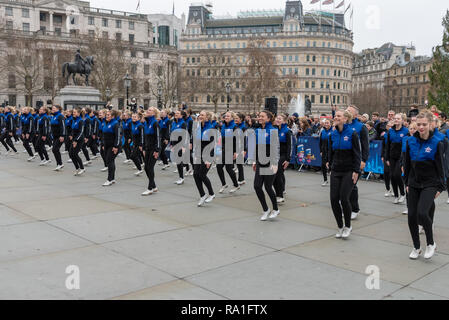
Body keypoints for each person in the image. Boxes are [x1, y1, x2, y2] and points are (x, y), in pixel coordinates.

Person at [403, 111, 445, 260]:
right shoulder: (410, 142)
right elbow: (407, 164)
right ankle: (416, 247)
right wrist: (406, 182)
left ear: (430, 125)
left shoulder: (437, 143)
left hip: (430, 183)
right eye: (418, 124)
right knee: (411, 216)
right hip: (413, 183)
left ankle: (430, 243)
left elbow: (441, 166)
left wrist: (441, 186)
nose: (421, 127)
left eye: (424, 124)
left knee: (422, 213)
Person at [327, 110, 361, 239]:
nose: (336, 117)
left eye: (339, 116)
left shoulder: (352, 133)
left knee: (344, 198)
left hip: (349, 170)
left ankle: (348, 226)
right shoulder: (332, 134)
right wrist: (329, 164)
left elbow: (357, 154)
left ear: (345, 119)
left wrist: (356, 171)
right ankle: (340, 226)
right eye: (335, 116)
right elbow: (331, 152)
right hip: (336, 170)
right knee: (334, 199)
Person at [253, 110, 280, 221]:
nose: (260, 118)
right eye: (259, 116)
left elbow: (275, 148)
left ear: (268, 119)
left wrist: (274, 163)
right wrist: (255, 161)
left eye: (262, 116)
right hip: (260, 161)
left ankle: (276, 209)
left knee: (268, 187)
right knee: (257, 186)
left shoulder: (273, 130)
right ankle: (265, 209)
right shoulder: (257, 130)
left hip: (270, 161)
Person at [346, 105, 369, 220]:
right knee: (345, 185)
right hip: (344, 160)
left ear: (355, 115)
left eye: (349, 111)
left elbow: (365, 146)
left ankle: (355, 209)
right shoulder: (343, 125)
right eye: (346, 110)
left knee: (352, 184)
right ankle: (346, 206)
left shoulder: (361, 127)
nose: (347, 112)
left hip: (356, 160)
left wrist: (363, 160)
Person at [193, 111, 216, 206]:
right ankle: (202, 195)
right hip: (198, 154)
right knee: (195, 174)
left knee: (202, 174)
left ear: (207, 118)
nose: (200, 116)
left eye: (202, 115)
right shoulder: (199, 127)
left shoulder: (210, 128)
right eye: (200, 115)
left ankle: (211, 193)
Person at [385, 113, 408, 204]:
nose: (396, 120)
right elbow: (388, 145)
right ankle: (396, 195)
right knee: (392, 176)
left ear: (402, 120)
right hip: (391, 156)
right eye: (395, 118)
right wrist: (386, 157)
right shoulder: (390, 131)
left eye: (398, 118)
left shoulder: (406, 131)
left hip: (401, 157)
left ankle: (402, 193)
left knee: (397, 175)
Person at [217, 111, 240, 194]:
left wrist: (236, 152)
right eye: (225, 116)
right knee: (219, 166)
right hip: (224, 149)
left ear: (232, 118)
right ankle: (224, 184)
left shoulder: (235, 127)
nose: (226, 117)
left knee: (228, 168)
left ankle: (236, 185)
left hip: (231, 150)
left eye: (228, 116)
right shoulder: (223, 126)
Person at [141, 107, 161, 195]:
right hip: (148, 149)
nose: (147, 111)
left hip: (154, 149)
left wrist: (157, 150)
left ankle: (150, 188)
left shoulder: (155, 123)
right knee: (146, 167)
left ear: (154, 113)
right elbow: (146, 137)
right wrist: (144, 148)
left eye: (150, 110)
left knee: (150, 167)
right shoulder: (146, 122)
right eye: (147, 109)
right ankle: (154, 186)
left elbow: (158, 138)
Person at [273, 114, 292, 203]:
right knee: (276, 174)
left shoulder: (287, 131)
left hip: (283, 155)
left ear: (284, 121)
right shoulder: (274, 129)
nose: (277, 119)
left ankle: (280, 195)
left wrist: (288, 159)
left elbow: (289, 146)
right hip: (275, 154)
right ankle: (281, 190)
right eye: (277, 118)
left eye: (280, 119)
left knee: (278, 173)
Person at [101, 109, 121, 186]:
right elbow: (104, 135)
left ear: (113, 116)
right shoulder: (106, 122)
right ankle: (112, 179)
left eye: (108, 115)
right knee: (110, 161)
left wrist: (116, 146)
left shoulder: (116, 124)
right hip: (107, 145)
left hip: (113, 146)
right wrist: (103, 144)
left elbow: (118, 136)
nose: (107, 116)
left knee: (109, 160)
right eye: (106, 114)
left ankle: (109, 179)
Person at [170, 110, 189, 185]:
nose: (176, 114)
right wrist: (171, 144)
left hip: (180, 144)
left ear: (181, 115)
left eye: (178, 113)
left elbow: (185, 135)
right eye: (176, 113)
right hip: (174, 144)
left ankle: (181, 178)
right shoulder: (174, 122)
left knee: (179, 161)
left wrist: (184, 146)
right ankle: (180, 177)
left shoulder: (183, 123)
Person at [69, 108, 86, 176]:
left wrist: (76, 140)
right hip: (74, 139)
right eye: (73, 112)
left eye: (75, 112)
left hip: (79, 140)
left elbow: (81, 132)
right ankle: (77, 168)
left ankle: (82, 168)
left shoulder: (81, 121)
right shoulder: (74, 120)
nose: (73, 113)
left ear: (78, 113)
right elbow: (72, 130)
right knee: (71, 154)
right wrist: (71, 135)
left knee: (75, 154)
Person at [50, 105, 66, 171]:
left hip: (60, 136)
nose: (52, 109)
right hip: (55, 136)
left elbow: (63, 126)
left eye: (54, 108)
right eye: (52, 108)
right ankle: (59, 164)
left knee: (55, 149)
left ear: (58, 109)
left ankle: (60, 164)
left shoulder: (60, 116)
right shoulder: (54, 116)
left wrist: (62, 135)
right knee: (55, 150)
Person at [129, 112, 144, 177]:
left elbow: (142, 136)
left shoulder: (140, 126)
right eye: (132, 117)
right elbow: (133, 134)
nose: (133, 118)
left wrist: (141, 145)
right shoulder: (133, 124)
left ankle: (140, 168)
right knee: (134, 156)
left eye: (135, 117)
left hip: (139, 144)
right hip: (135, 144)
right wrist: (131, 140)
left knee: (133, 156)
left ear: (138, 118)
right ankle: (140, 167)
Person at [234, 113, 247, 185]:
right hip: (235, 146)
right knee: (238, 163)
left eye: (237, 118)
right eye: (235, 118)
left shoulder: (243, 127)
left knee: (239, 163)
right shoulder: (236, 126)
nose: (235, 119)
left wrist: (244, 149)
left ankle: (241, 179)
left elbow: (244, 139)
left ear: (241, 119)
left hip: (240, 147)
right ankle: (241, 179)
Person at [320, 118, 333, 186]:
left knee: (330, 165)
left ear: (331, 123)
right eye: (325, 123)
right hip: (324, 151)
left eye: (328, 123)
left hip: (331, 151)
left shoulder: (333, 131)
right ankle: (325, 180)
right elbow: (320, 142)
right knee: (323, 165)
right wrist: (321, 151)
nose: (326, 124)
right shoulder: (323, 131)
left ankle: (333, 180)